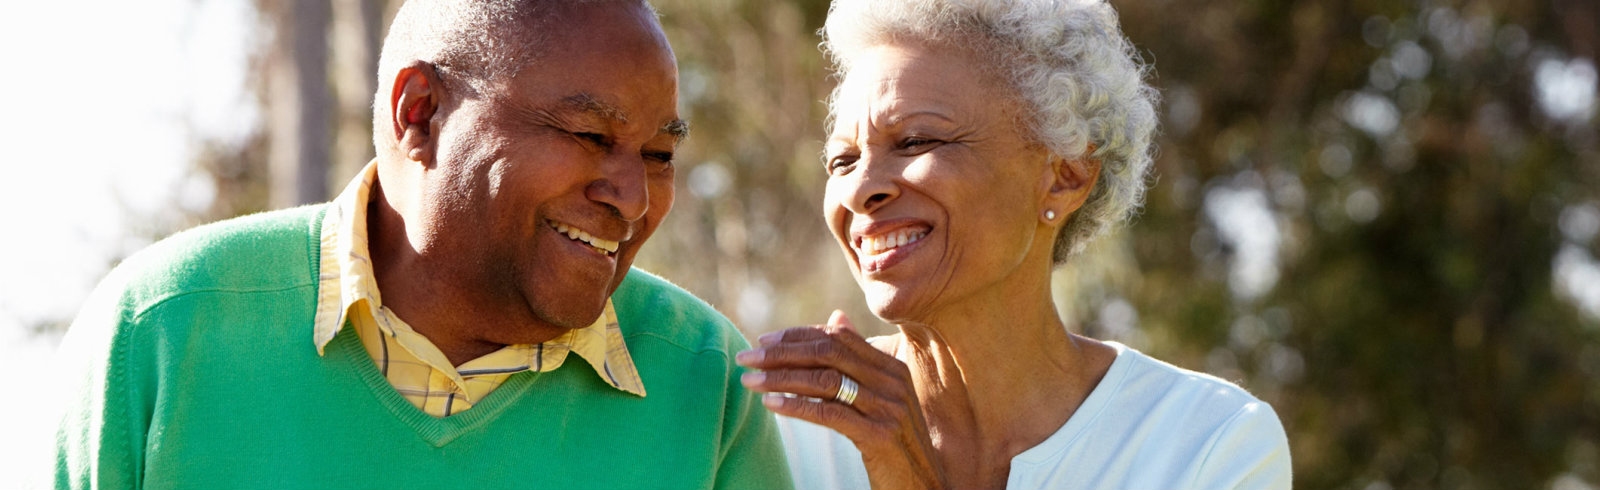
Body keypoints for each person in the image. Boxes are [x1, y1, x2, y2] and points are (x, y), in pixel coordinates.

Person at [52, 1, 792, 488]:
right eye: (591, 137)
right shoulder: (165, 330)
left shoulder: (708, 384)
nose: (633, 197)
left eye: (660, 155)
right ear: (422, 112)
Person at [735, 0, 1293, 488]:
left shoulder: (1207, 445)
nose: (859, 189)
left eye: (915, 140)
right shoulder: (775, 429)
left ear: (1065, 176)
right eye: (842, 160)